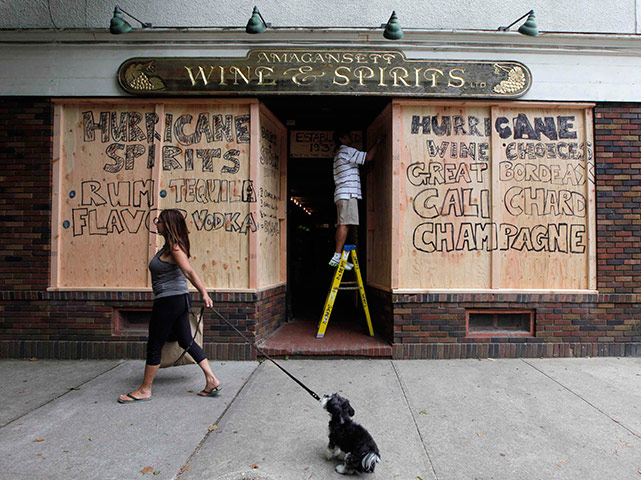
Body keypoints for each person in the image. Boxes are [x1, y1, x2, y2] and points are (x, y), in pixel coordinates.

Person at [118, 209, 221, 403]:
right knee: (185, 340)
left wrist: (204, 293)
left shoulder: (174, 247)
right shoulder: (169, 247)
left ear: (168, 224)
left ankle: (145, 389)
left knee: (155, 343)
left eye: (160, 221)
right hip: (175, 300)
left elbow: (189, 271)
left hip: (169, 301)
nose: (156, 224)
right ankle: (211, 379)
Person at [329, 128, 382, 270]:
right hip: (348, 194)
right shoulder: (346, 150)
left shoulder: (339, 154)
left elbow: (354, 169)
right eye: (347, 136)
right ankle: (337, 256)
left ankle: (338, 256)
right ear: (341, 139)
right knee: (345, 224)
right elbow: (368, 157)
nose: (350, 138)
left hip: (342, 193)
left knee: (343, 223)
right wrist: (377, 143)